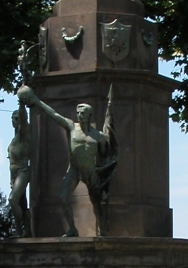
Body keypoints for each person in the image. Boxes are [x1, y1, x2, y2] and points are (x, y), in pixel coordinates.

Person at [17, 84, 117, 236]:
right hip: (74, 169)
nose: (79, 115)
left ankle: (101, 231)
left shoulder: (99, 136)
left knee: (97, 203)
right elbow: (54, 115)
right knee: (63, 198)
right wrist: (37, 101)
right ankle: (72, 229)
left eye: (83, 112)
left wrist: (103, 173)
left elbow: (106, 155)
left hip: (91, 171)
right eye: (78, 112)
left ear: (89, 115)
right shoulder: (71, 126)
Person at [8, 102, 32, 237]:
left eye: (16, 118)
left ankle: (20, 231)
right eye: (12, 118)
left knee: (13, 200)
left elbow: (23, 118)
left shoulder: (25, 133)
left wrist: (22, 103)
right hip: (14, 174)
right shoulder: (14, 138)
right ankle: (25, 232)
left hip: (23, 170)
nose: (14, 121)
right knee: (22, 205)